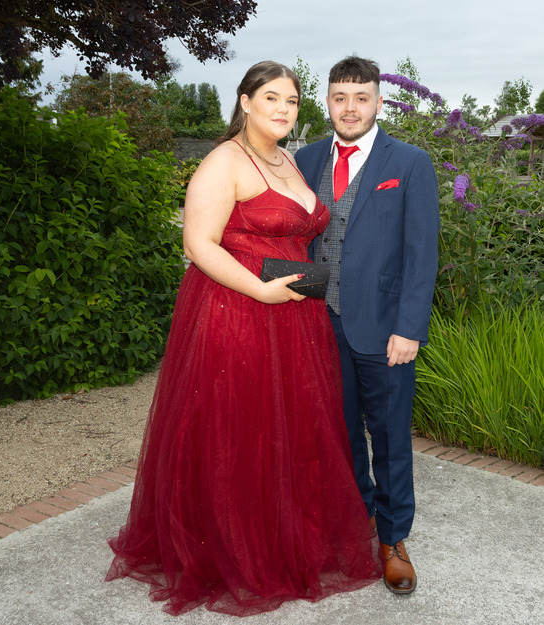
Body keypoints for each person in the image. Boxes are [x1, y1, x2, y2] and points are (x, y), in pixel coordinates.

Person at [105, 61, 383, 617]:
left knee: (288, 429)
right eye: (272, 97)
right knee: (241, 430)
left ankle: (284, 538)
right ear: (246, 101)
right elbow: (198, 244)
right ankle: (234, 550)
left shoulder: (287, 159)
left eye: (292, 101)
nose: (283, 109)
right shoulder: (223, 161)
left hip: (293, 317)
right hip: (238, 312)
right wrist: (259, 290)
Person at [295, 56, 440, 595]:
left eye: (361, 98)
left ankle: (394, 539)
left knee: (390, 436)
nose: (350, 108)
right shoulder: (304, 159)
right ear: (327, 102)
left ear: (379, 101)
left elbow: (422, 253)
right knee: (337, 433)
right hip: (317, 322)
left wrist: (410, 327)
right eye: (340, 97)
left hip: (384, 329)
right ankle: (357, 521)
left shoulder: (410, 162)